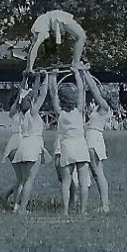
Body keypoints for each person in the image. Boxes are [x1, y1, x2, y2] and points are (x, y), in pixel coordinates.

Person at [48, 66, 92, 215]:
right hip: (80, 145)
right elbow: (82, 90)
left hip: (67, 146)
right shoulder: (79, 109)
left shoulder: (59, 112)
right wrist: (77, 73)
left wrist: (52, 76)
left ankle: (66, 210)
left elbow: (53, 93)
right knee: (83, 182)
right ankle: (82, 211)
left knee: (66, 183)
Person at [3, 73, 50, 212]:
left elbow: (25, 96)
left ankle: (16, 206)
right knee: (28, 180)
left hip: (20, 145)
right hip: (30, 145)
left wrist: (30, 78)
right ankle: (22, 208)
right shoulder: (33, 111)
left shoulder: (18, 111)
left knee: (21, 180)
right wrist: (45, 78)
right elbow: (41, 94)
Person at [83, 72, 115, 213]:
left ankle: (105, 205)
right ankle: (103, 205)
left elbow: (94, 89)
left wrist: (84, 72)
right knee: (94, 173)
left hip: (94, 139)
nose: (100, 92)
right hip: (90, 136)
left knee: (98, 172)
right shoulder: (98, 108)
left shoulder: (104, 107)